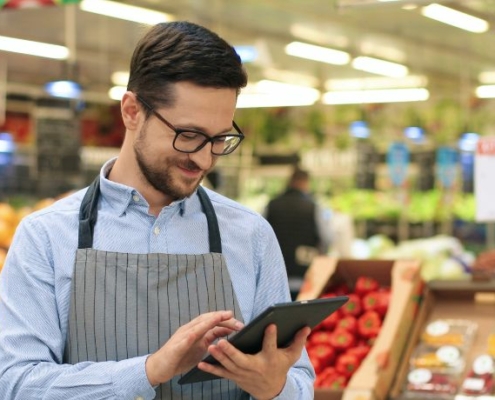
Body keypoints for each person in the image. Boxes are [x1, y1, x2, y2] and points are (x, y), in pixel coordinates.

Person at [0, 21, 314, 399]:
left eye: (219, 139)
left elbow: (300, 382)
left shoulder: (251, 235)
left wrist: (277, 387)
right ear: (132, 111)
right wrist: (148, 371)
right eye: (189, 135)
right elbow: (16, 384)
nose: (204, 159)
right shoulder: (46, 236)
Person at [265, 167, 332, 300]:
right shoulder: (314, 207)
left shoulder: (271, 205)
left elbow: (261, 235)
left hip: (275, 275)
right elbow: (327, 238)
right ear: (306, 183)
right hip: (305, 275)